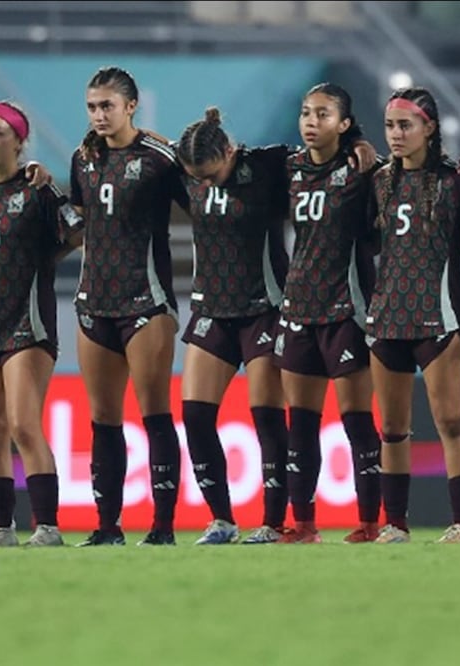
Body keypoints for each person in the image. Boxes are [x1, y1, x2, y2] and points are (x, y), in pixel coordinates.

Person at [175, 108, 380, 545]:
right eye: (200, 179)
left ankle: (272, 522)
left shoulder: (269, 165)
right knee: (194, 414)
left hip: (264, 308)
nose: (207, 185)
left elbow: (317, 156)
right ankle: (221, 520)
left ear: (230, 151)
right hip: (211, 308)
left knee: (268, 418)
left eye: (214, 174)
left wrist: (357, 145)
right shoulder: (187, 170)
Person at [0, 101, 82, 547]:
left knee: (24, 425)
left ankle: (46, 527)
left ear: (20, 141)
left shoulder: (38, 190)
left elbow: (76, 230)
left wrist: (43, 260)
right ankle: (2, 530)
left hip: (27, 324)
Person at [70, 66, 188, 546]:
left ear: (131, 106)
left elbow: (201, 199)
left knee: (154, 412)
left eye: (107, 106)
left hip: (147, 301)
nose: (99, 115)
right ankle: (107, 528)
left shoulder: (161, 158)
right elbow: (81, 219)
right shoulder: (83, 158)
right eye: (93, 107)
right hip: (94, 302)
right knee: (103, 419)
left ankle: (162, 527)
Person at [366, 87, 460, 544]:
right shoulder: (378, 181)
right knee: (393, 429)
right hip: (387, 317)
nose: (396, 135)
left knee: (450, 421)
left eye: (405, 126)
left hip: (440, 317)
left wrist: (447, 244)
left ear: (429, 128)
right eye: (391, 126)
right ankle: (395, 524)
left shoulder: (456, 182)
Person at [274, 82, 382, 544]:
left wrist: (365, 150)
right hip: (299, 308)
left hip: (348, 310)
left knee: (358, 421)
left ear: (343, 123)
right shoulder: (288, 168)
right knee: (301, 423)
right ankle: (304, 526)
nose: (311, 122)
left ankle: (372, 524)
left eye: (322, 114)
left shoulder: (362, 171)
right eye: (305, 113)